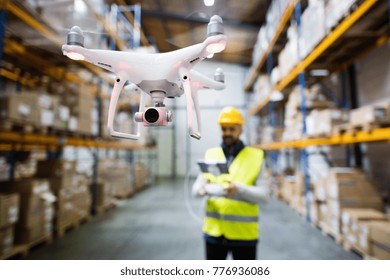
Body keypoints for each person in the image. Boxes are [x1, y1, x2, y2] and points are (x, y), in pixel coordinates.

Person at [192, 106, 269, 260]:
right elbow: (195, 190)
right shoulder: (211, 154)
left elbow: (264, 196)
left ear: (240, 129)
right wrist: (201, 188)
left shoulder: (256, 156)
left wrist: (239, 189)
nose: (227, 133)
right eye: (224, 129)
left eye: (231, 129)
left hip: (244, 235)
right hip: (214, 234)